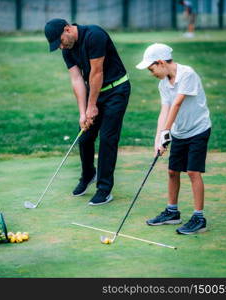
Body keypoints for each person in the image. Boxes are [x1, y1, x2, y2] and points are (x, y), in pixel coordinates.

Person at [44, 19, 131, 206]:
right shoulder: (67, 48)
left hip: (117, 90)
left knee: (108, 138)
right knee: (85, 136)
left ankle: (104, 189)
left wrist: (92, 106)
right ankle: (88, 174)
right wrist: (83, 112)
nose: (60, 47)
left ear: (67, 29)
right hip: (95, 91)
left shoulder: (94, 35)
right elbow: (76, 79)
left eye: (60, 41)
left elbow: (96, 73)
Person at [136, 43, 211, 234]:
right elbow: (165, 109)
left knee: (193, 172)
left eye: (151, 69)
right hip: (180, 132)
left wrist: (166, 132)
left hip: (198, 130)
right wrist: (158, 138)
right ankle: (172, 212)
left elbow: (177, 103)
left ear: (160, 62)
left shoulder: (188, 74)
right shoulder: (163, 83)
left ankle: (199, 217)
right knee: (172, 171)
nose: (151, 73)